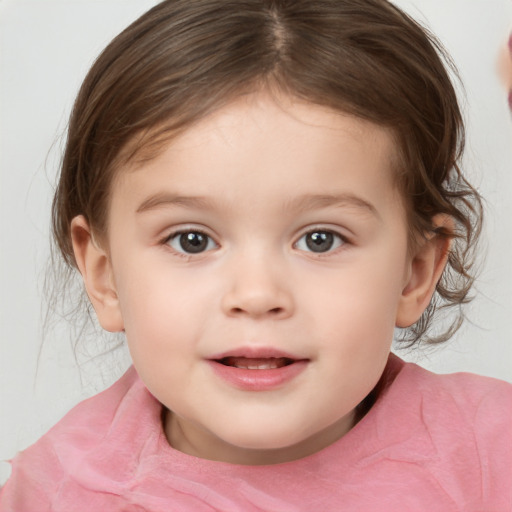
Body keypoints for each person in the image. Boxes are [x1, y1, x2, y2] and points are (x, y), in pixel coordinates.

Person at [1, 0, 511, 509]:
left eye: (320, 239)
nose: (257, 295)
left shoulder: (494, 455)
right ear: (104, 275)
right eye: (191, 240)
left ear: (415, 272)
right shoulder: (53, 496)